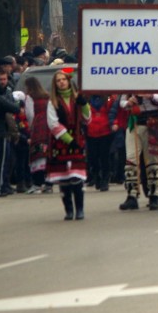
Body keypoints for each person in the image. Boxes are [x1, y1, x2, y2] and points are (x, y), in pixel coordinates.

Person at [47, 71, 91, 220]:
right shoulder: (53, 102)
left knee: (77, 177)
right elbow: (53, 124)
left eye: (63, 79)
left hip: (78, 138)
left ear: (68, 81)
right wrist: (68, 139)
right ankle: (69, 210)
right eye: (58, 80)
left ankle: (80, 209)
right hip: (61, 142)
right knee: (64, 179)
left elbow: (87, 119)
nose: (61, 82)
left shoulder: (77, 98)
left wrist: (84, 104)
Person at [118, 92, 158, 210]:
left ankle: (154, 195)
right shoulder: (129, 84)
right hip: (134, 123)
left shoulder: (156, 81)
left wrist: (151, 96)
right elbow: (121, 102)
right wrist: (129, 103)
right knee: (131, 159)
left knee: (153, 160)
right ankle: (132, 195)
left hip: (153, 123)